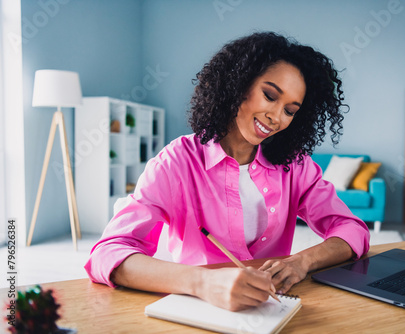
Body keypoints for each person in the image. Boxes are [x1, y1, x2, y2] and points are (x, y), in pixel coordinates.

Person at [85, 31, 370, 312]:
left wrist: (301, 262)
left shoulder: (294, 165)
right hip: (199, 309)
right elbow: (109, 252)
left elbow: (352, 230)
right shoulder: (176, 162)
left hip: (271, 310)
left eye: (290, 110)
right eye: (270, 95)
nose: (276, 117)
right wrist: (202, 282)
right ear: (239, 84)